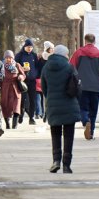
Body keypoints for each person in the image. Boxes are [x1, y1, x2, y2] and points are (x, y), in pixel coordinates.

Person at [41, 45, 81, 174]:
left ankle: (56, 161)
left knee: (55, 134)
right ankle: (66, 165)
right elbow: (76, 86)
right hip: (69, 104)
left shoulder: (46, 67)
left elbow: (44, 88)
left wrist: (50, 99)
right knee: (69, 135)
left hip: (53, 105)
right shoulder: (69, 67)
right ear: (64, 55)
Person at [69, 33, 99, 140]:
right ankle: (91, 132)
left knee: (83, 108)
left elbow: (72, 68)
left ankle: (85, 121)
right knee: (93, 110)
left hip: (81, 85)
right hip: (96, 87)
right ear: (94, 41)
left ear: (85, 40)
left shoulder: (78, 53)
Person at [15, 38, 40, 125]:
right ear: (25, 46)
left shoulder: (34, 55)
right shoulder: (19, 55)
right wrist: (22, 69)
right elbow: (15, 67)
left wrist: (35, 74)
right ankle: (21, 115)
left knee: (33, 99)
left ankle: (31, 117)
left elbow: (37, 67)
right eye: (28, 47)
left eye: (31, 47)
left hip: (32, 81)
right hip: (22, 81)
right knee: (22, 99)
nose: (29, 48)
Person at [0, 50, 26, 129]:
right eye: (7, 58)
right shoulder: (2, 66)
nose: (9, 59)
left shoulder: (17, 65)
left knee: (16, 106)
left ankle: (14, 125)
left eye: (10, 57)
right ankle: (7, 124)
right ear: (5, 58)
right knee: (5, 106)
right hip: (5, 88)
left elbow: (23, 74)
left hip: (15, 88)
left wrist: (21, 77)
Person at [36, 41, 54, 120]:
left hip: (51, 79)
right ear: (47, 49)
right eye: (51, 48)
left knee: (49, 98)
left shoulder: (53, 57)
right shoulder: (42, 57)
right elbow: (39, 67)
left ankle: (47, 113)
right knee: (45, 97)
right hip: (43, 78)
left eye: (53, 48)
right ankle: (45, 113)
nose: (52, 50)